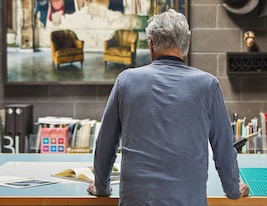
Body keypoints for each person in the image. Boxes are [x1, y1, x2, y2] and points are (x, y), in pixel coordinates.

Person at [88, 9, 249, 205]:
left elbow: (105, 142)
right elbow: (223, 148)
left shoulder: (126, 81)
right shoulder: (208, 85)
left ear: (151, 44)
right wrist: (233, 190)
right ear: (186, 45)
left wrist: (102, 188)